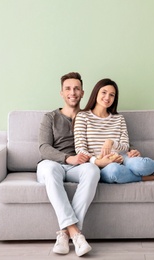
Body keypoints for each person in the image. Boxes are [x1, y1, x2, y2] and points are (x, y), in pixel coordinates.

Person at [73, 78, 154, 184]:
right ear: (96, 92)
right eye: (104, 92)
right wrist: (98, 161)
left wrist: (111, 142)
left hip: (122, 158)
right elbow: (80, 149)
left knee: (141, 165)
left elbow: (125, 146)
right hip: (99, 166)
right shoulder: (83, 117)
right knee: (114, 171)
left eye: (112, 95)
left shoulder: (119, 119)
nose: (107, 97)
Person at [37, 72, 99, 257]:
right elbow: (43, 147)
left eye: (76, 88)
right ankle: (76, 234)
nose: (72, 92)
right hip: (52, 164)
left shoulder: (89, 117)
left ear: (82, 93)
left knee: (93, 171)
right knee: (51, 169)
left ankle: (65, 234)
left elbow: (104, 137)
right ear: (62, 93)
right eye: (68, 89)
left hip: (78, 167)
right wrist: (67, 158)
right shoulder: (50, 117)